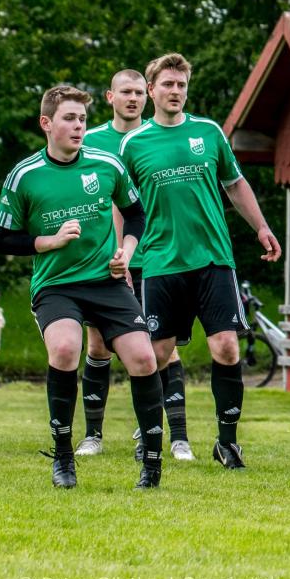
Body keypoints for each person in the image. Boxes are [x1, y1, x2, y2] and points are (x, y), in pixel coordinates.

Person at [0, 85, 165, 489]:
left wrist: (126, 250)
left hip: (106, 283)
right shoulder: (25, 175)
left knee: (144, 358)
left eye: (83, 120)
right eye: (69, 119)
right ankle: (63, 457)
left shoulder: (107, 164)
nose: (78, 127)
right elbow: (1, 238)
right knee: (67, 349)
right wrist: (48, 241)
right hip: (56, 286)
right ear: (46, 123)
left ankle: (153, 466)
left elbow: (136, 213)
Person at [120, 53, 282, 470]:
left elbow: (235, 183)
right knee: (155, 355)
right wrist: (120, 250)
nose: (175, 91)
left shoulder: (208, 132)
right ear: (152, 90)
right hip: (160, 262)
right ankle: (151, 436)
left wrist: (261, 227)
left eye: (181, 84)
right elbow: (122, 205)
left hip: (213, 258)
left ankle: (227, 443)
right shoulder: (133, 144)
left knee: (226, 347)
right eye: (168, 85)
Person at [74, 70, 193, 461]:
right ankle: (93, 435)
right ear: (110, 96)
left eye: (140, 93)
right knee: (98, 344)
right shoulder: (90, 142)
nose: (133, 99)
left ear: (148, 96)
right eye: (126, 92)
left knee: (163, 349)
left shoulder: (157, 136)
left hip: (157, 258)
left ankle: (176, 437)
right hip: (106, 262)